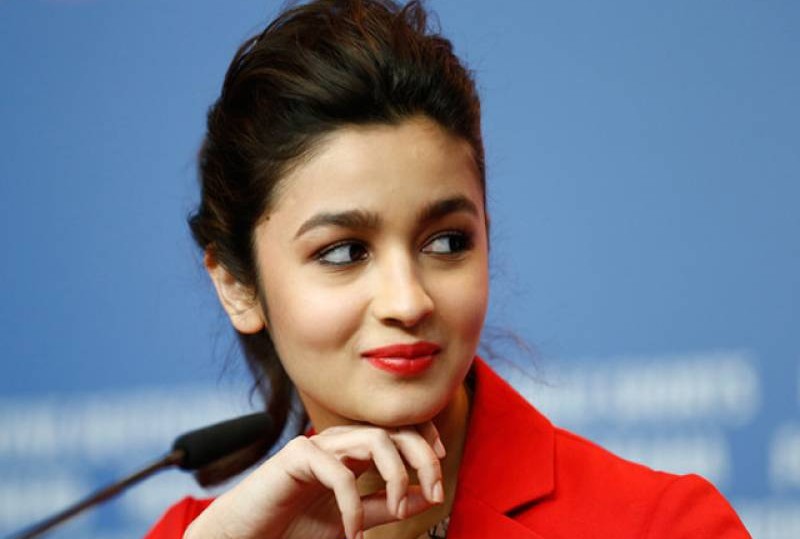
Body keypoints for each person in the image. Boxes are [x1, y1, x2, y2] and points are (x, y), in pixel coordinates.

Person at [146, 1, 751, 538]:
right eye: (345, 252)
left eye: (446, 242)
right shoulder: (197, 536)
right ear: (237, 286)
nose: (408, 301)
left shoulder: (664, 525)